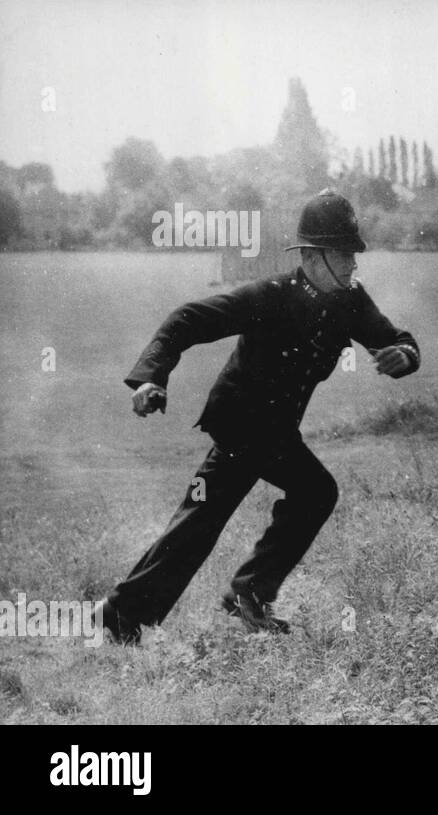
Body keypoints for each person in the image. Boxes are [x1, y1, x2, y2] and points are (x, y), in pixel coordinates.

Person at [96, 190, 420, 643]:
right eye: (342, 255)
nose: (351, 265)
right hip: (239, 421)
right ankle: (227, 599)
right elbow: (187, 319)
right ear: (310, 257)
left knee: (229, 512)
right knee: (263, 504)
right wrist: (152, 379)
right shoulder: (269, 296)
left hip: (275, 431)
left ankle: (137, 612)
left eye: (353, 255)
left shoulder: (350, 301)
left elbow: (396, 338)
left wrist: (403, 355)